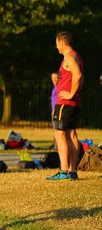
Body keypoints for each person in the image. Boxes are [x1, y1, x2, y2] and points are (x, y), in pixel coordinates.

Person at [47, 31, 83, 181]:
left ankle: (64, 170)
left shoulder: (69, 57)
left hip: (65, 103)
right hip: (72, 102)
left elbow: (78, 75)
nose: (56, 47)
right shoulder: (76, 56)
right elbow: (81, 77)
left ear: (62, 43)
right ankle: (72, 170)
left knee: (59, 133)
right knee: (71, 134)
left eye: (57, 44)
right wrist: (76, 93)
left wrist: (70, 93)